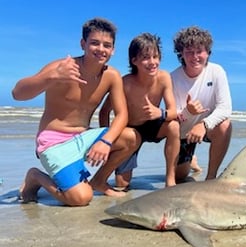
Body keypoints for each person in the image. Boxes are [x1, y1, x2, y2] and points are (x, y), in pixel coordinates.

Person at [11, 17, 138, 206]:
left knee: (131, 137)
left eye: (107, 45)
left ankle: (99, 181)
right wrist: (51, 76)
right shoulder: (62, 68)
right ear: (83, 44)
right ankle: (36, 177)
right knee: (80, 198)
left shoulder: (112, 75)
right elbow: (17, 94)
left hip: (83, 138)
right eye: (94, 43)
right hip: (54, 142)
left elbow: (122, 115)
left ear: (113, 49)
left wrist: (105, 141)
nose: (101, 49)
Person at [99, 32, 180, 189]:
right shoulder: (125, 83)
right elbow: (104, 111)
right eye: (145, 58)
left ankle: (170, 179)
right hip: (130, 131)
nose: (152, 62)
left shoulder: (164, 78)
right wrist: (108, 140)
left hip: (153, 125)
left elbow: (173, 112)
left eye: (155, 57)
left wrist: (160, 113)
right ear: (134, 60)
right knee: (122, 184)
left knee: (174, 126)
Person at [171, 26, 232, 182]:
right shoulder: (173, 78)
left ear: (208, 53)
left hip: (209, 128)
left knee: (225, 124)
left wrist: (203, 125)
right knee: (180, 177)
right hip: (184, 134)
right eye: (189, 52)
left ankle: (211, 177)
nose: (195, 56)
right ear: (181, 53)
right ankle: (191, 161)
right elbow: (173, 118)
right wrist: (188, 112)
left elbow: (225, 108)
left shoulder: (217, 71)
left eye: (200, 51)